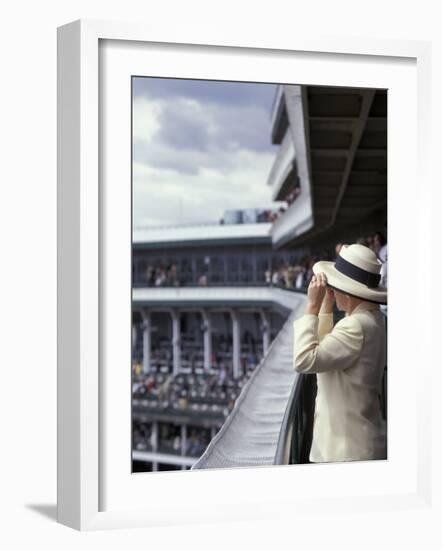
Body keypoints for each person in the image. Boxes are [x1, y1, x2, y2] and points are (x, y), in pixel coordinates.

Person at [293, 243, 387, 463]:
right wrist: (326, 304)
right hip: (357, 445)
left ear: (350, 291)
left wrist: (312, 308)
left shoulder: (355, 326)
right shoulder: (371, 319)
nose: (332, 290)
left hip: (346, 451)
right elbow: (327, 351)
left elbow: (304, 359)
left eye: (335, 288)